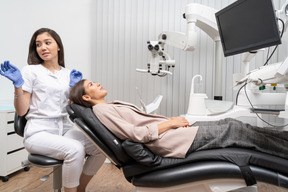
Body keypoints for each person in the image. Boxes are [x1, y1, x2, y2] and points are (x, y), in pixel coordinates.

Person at [69, 79, 288, 160]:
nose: (97, 84)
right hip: (169, 140)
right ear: (87, 97)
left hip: (174, 132)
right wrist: (171, 123)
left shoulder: (110, 105)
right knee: (235, 130)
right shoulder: (103, 112)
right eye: (91, 85)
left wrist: (172, 121)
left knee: (237, 125)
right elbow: (136, 135)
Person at [0, 28, 105, 192]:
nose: (43, 47)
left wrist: (73, 90)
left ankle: (80, 189)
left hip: (65, 130)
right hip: (39, 132)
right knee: (75, 149)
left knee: (101, 146)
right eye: (38, 44)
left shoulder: (68, 74)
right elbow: (21, 111)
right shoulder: (30, 71)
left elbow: (74, 109)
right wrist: (18, 86)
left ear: (58, 47)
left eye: (47, 43)